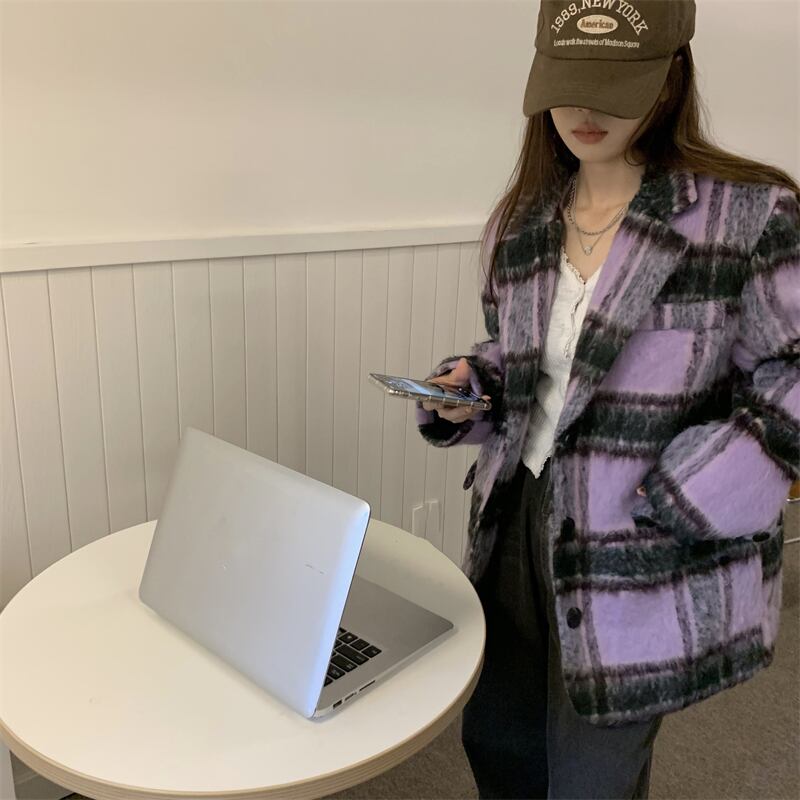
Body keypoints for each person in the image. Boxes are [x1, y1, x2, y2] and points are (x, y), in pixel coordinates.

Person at [415, 2, 800, 799]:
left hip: (643, 529)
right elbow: (523, 358)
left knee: (593, 773)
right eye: (568, 82)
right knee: (501, 740)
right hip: (516, 518)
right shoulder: (524, 219)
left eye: (615, 83)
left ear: (669, 79)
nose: (586, 109)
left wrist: (697, 489)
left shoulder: (748, 213)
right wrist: (470, 389)